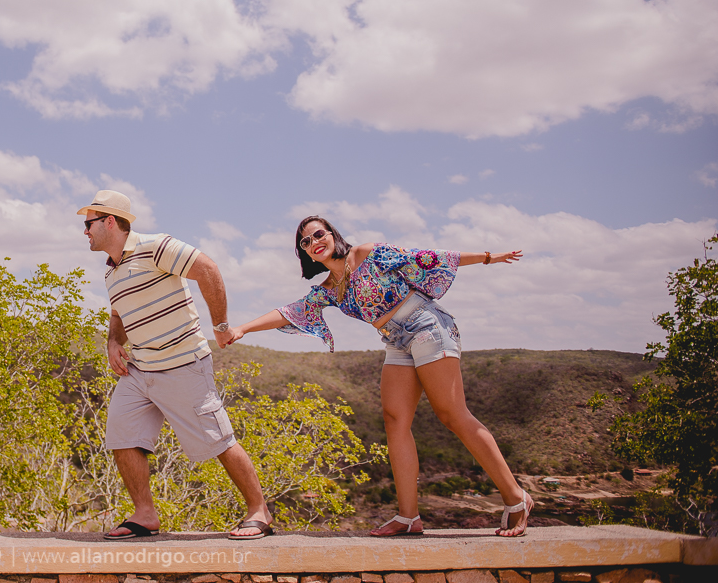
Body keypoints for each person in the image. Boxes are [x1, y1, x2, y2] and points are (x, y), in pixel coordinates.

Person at [218, 216, 533, 538]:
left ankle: (516, 497)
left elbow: (426, 257)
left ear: (332, 236)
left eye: (318, 234)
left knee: (451, 413)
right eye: (306, 242)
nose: (314, 241)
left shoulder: (368, 253)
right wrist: (241, 328)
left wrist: (487, 257)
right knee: (395, 420)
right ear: (307, 255)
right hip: (395, 340)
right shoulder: (330, 288)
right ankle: (408, 517)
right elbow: (291, 311)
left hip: (425, 325)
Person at [79, 189, 274, 541]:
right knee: (122, 435)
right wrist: (112, 342)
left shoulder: (156, 246)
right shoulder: (111, 272)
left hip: (183, 364)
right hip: (140, 369)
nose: (84, 231)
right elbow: (118, 312)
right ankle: (145, 515)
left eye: (88, 223)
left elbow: (207, 269)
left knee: (219, 439)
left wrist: (221, 326)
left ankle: (259, 511)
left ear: (109, 221)